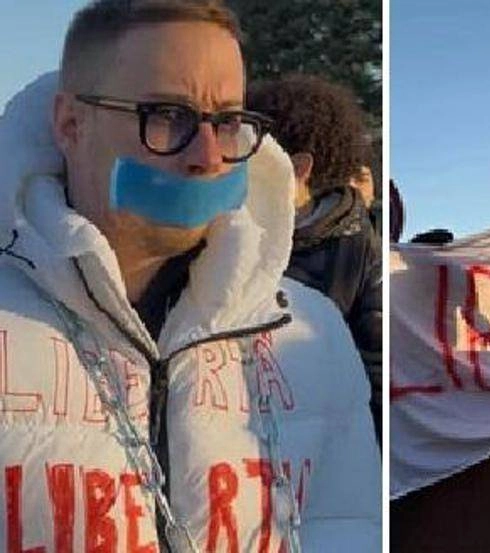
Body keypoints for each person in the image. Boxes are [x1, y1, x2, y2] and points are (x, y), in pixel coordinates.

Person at [0, 1, 380, 551]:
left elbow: (348, 528)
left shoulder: (310, 330)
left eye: (227, 121)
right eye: (167, 115)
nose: (207, 157)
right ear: (70, 124)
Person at [248, 75, 382, 444]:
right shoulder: (233, 234)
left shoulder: (359, 252)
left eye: (254, 155)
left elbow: (377, 369)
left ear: (298, 168)